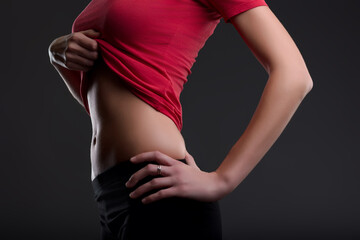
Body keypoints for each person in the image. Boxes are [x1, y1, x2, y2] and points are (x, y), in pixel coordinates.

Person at [48, 0, 313, 239]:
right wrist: (57, 56)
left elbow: (295, 75)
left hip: (160, 194)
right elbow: (105, 104)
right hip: (111, 194)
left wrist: (222, 181)